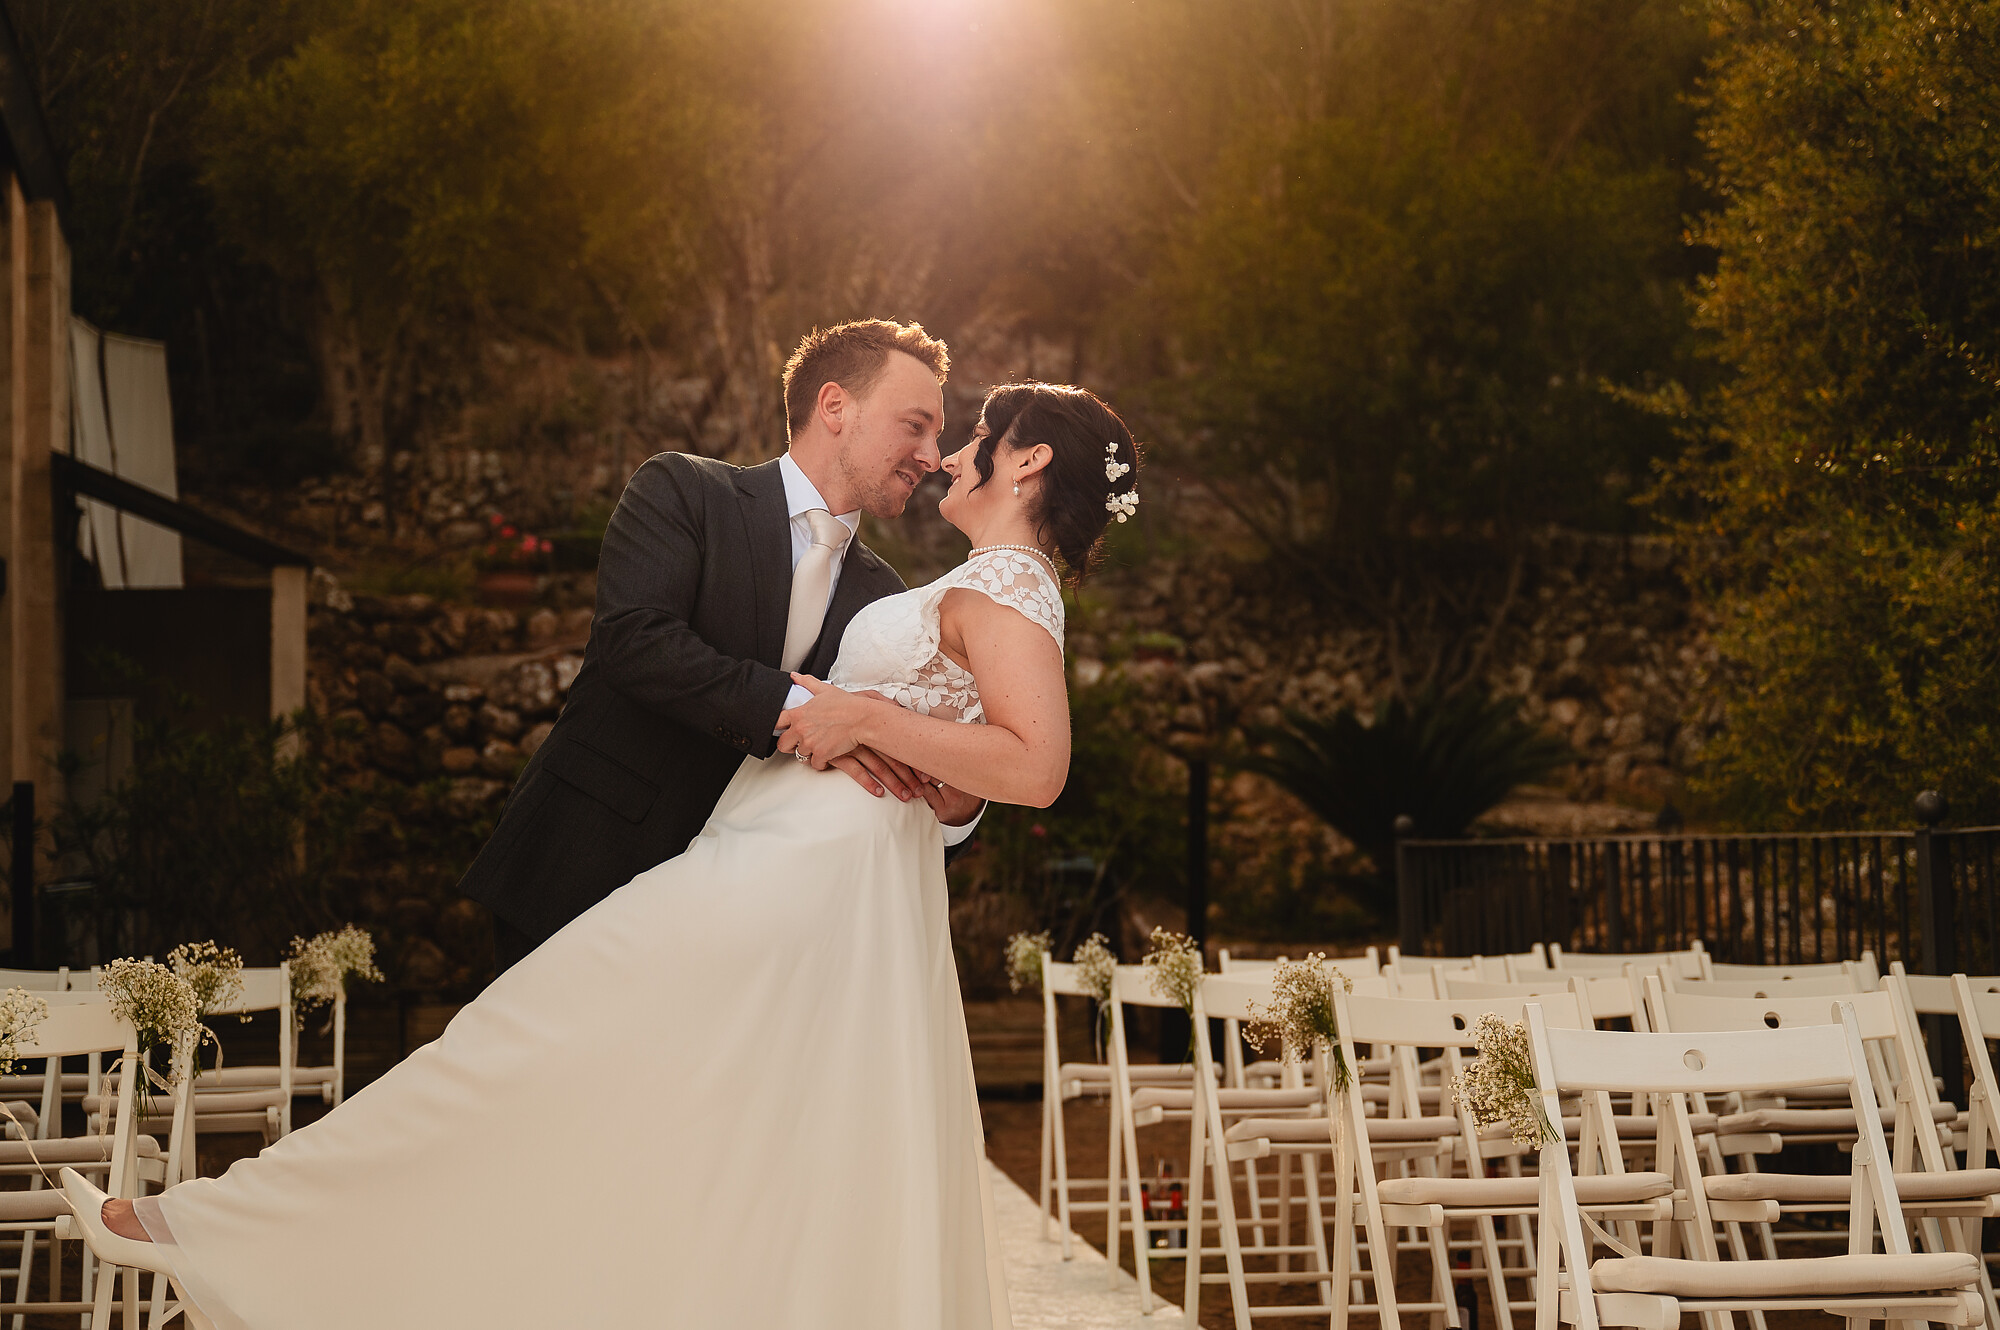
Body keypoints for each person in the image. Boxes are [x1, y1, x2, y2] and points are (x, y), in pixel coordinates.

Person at [64, 380, 1143, 1330]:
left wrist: (861, 721)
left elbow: (1031, 766)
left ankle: (216, 1231)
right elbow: (946, 759)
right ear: (833, 405)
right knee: (594, 1087)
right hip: (772, 862)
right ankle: (241, 1235)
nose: (946, 454)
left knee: (532, 1046)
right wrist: (876, 730)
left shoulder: (1004, 584)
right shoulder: (857, 548)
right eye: (924, 426)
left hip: (803, 883)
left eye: (971, 436)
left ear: (1030, 457)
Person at [459, 318, 986, 973]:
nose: (933, 456)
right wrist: (806, 709)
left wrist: (958, 816)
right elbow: (636, 642)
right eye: (916, 424)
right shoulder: (683, 491)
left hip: (739, 937)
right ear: (834, 407)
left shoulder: (888, 603)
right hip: (581, 875)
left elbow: (887, 774)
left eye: (937, 435)